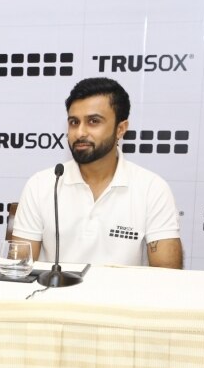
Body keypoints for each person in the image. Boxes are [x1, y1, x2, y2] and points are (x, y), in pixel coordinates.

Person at [12, 77, 183, 268]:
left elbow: (167, 275)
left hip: (122, 297)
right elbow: (18, 269)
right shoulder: (41, 184)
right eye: (74, 122)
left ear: (121, 129)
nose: (80, 133)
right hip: (54, 296)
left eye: (93, 121)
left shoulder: (152, 188)